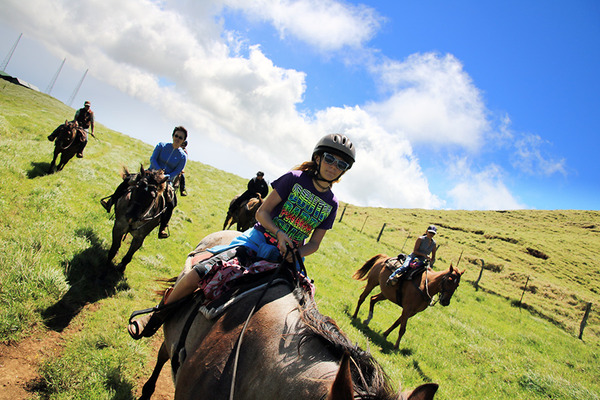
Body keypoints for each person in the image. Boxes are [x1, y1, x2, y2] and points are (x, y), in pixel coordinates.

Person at [127, 133, 356, 340]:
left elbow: (315, 243)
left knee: (303, 314)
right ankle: (156, 316)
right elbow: (262, 212)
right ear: (317, 158)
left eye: (341, 164)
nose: (334, 166)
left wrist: (296, 254)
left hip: (288, 260)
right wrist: (279, 234)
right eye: (330, 159)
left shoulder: (331, 204)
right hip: (257, 242)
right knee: (200, 272)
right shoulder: (294, 179)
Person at [101, 126, 188, 239]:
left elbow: (177, 171)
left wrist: (164, 177)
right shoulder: (161, 145)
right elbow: (153, 159)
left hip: (165, 180)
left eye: (180, 137)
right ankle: (111, 201)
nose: (177, 138)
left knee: (171, 203)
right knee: (128, 180)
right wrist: (157, 172)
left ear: (183, 140)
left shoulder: (183, 156)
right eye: (176, 136)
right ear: (172, 136)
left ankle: (163, 228)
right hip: (151, 174)